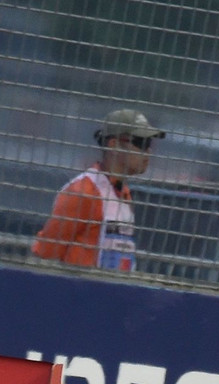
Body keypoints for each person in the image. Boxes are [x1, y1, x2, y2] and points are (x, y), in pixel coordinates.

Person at [32, 108, 165, 271]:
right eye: (140, 143)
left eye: (149, 144)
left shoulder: (122, 192)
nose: (148, 151)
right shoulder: (83, 191)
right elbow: (46, 253)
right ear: (114, 145)